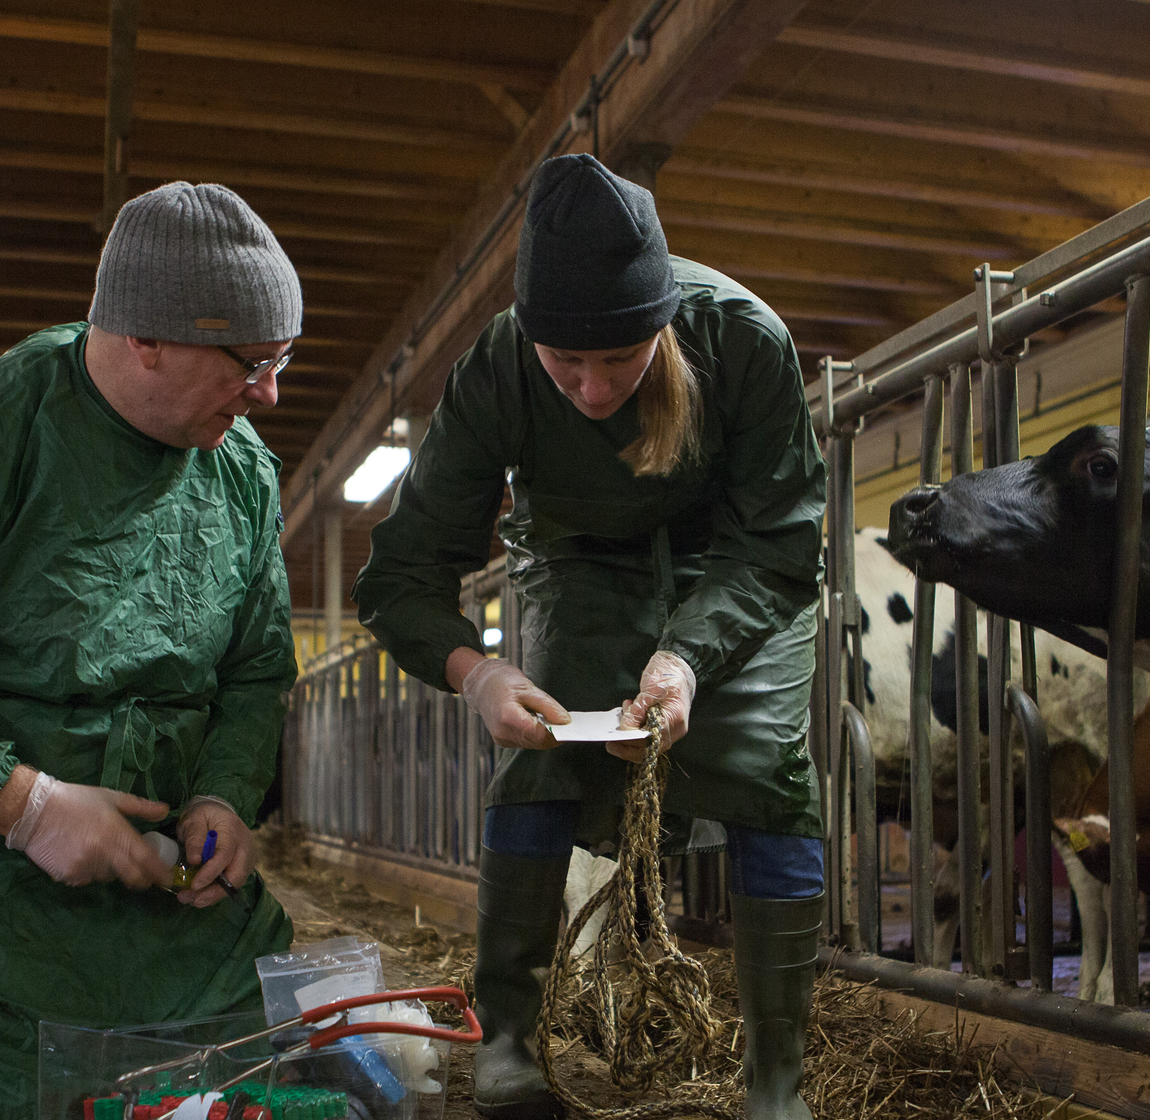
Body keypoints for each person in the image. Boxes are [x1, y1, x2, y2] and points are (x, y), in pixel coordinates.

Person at [354, 153, 827, 1120]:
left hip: (734, 566)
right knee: (542, 759)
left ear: (662, 323)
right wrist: (478, 674)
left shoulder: (742, 338)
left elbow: (779, 542)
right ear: (529, 335)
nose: (591, 387)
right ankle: (510, 1046)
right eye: (563, 362)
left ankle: (776, 1082)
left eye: (619, 359)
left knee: (769, 767)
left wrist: (687, 656)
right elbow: (402, 575)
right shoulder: (496, 367)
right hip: (578, 558)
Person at [0, 182, 301, 1119]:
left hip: (165, 890)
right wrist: (23, 804)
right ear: (148, 339)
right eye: (251, 363)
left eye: (284, 361)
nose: (269, 394)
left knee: (255, 1070)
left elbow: (256, 668)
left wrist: (222, 792)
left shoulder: (244, 473)